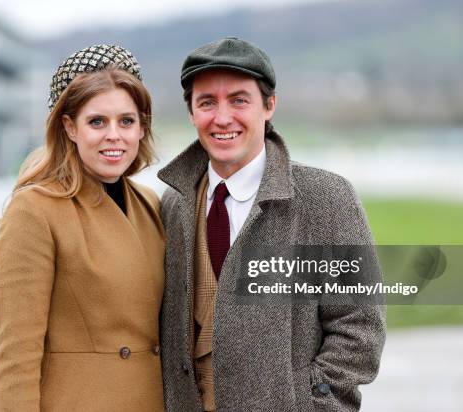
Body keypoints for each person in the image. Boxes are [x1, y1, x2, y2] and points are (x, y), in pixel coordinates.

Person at [157, 37, 386, 411]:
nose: (222, 117)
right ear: (191, 113)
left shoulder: (328, 198)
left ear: (269, 106)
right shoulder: (173, 203)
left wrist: (316, 405)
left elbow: (359, 327)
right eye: (207, 103)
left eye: (239, 100)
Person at [0, 44, 165, 411]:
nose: (114, 135)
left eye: (127, 121)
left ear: (142, 127)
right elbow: (15, 359)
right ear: (69, 127)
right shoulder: (35, 210)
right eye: (97, 121)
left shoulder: (151, 204)